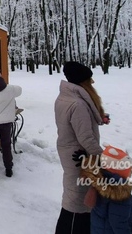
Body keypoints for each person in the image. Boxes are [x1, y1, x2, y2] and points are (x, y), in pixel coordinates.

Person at [54, 61, 107, 234]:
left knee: (76, 196)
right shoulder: (77, 104)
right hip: (79, 156)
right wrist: (103, 158)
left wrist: (97, 117)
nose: (93, 83)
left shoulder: (65, 97)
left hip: (71, 152)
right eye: (89, 79)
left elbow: (77, 123)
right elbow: (86, 138)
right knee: (77, 200)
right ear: (82, 82)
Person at [74, 144, 132, 234]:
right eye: (129, 169)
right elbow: (119, 224)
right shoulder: (120, 194)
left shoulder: (101, 182)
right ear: (119, 171)